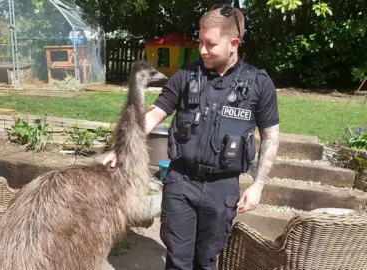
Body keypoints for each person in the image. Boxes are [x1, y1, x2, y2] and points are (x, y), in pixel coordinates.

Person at [103, 4, 279, 270]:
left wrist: (258, 185)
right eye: (200, 42)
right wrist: (122, 148)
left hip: (222, 187)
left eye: (210, 44)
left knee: (207, 261)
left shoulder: (259, 84)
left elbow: (270, 137)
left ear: (233, 44)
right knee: (178, 259)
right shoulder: (186, 77)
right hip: (181, 181)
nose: (202, 50)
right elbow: (153, 115)